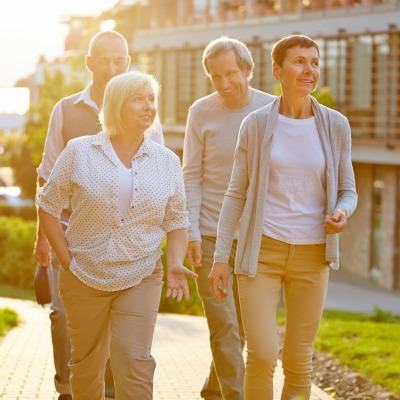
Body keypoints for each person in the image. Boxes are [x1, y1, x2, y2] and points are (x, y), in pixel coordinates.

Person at [210, 34, 358, 400]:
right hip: (261, 254)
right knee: (261, 355)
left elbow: (349, 190)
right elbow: (235, 194)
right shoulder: (257, 125)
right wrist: (219, 259)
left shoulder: (336, 125)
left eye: (314, 62)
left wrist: (341, 210)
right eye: (299, 62)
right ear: (277, 70)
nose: (309, 70)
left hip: (312, 256)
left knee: (298, 359)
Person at [36, 71, 197, 400]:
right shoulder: (79, 151)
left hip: (141, 274)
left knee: (133, 362)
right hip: (83, 275)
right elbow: (47, 205)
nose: (148, 106)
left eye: (151, 99)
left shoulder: (167, 161)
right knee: (85, 366)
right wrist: (66, 260)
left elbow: (177, 219)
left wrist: (176, 261)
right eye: (139, 99)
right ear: (115, 106)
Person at [182, 37, 274, 400]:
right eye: (215, 76)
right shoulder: (200, 112)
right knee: (224, 325)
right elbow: (191, 175)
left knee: (247, 329)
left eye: (231, 73)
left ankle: (213, 389)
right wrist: (190, 231)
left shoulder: (272, 109)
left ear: (248, 70)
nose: (224, 84)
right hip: (208, 234)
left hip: (257, 238)